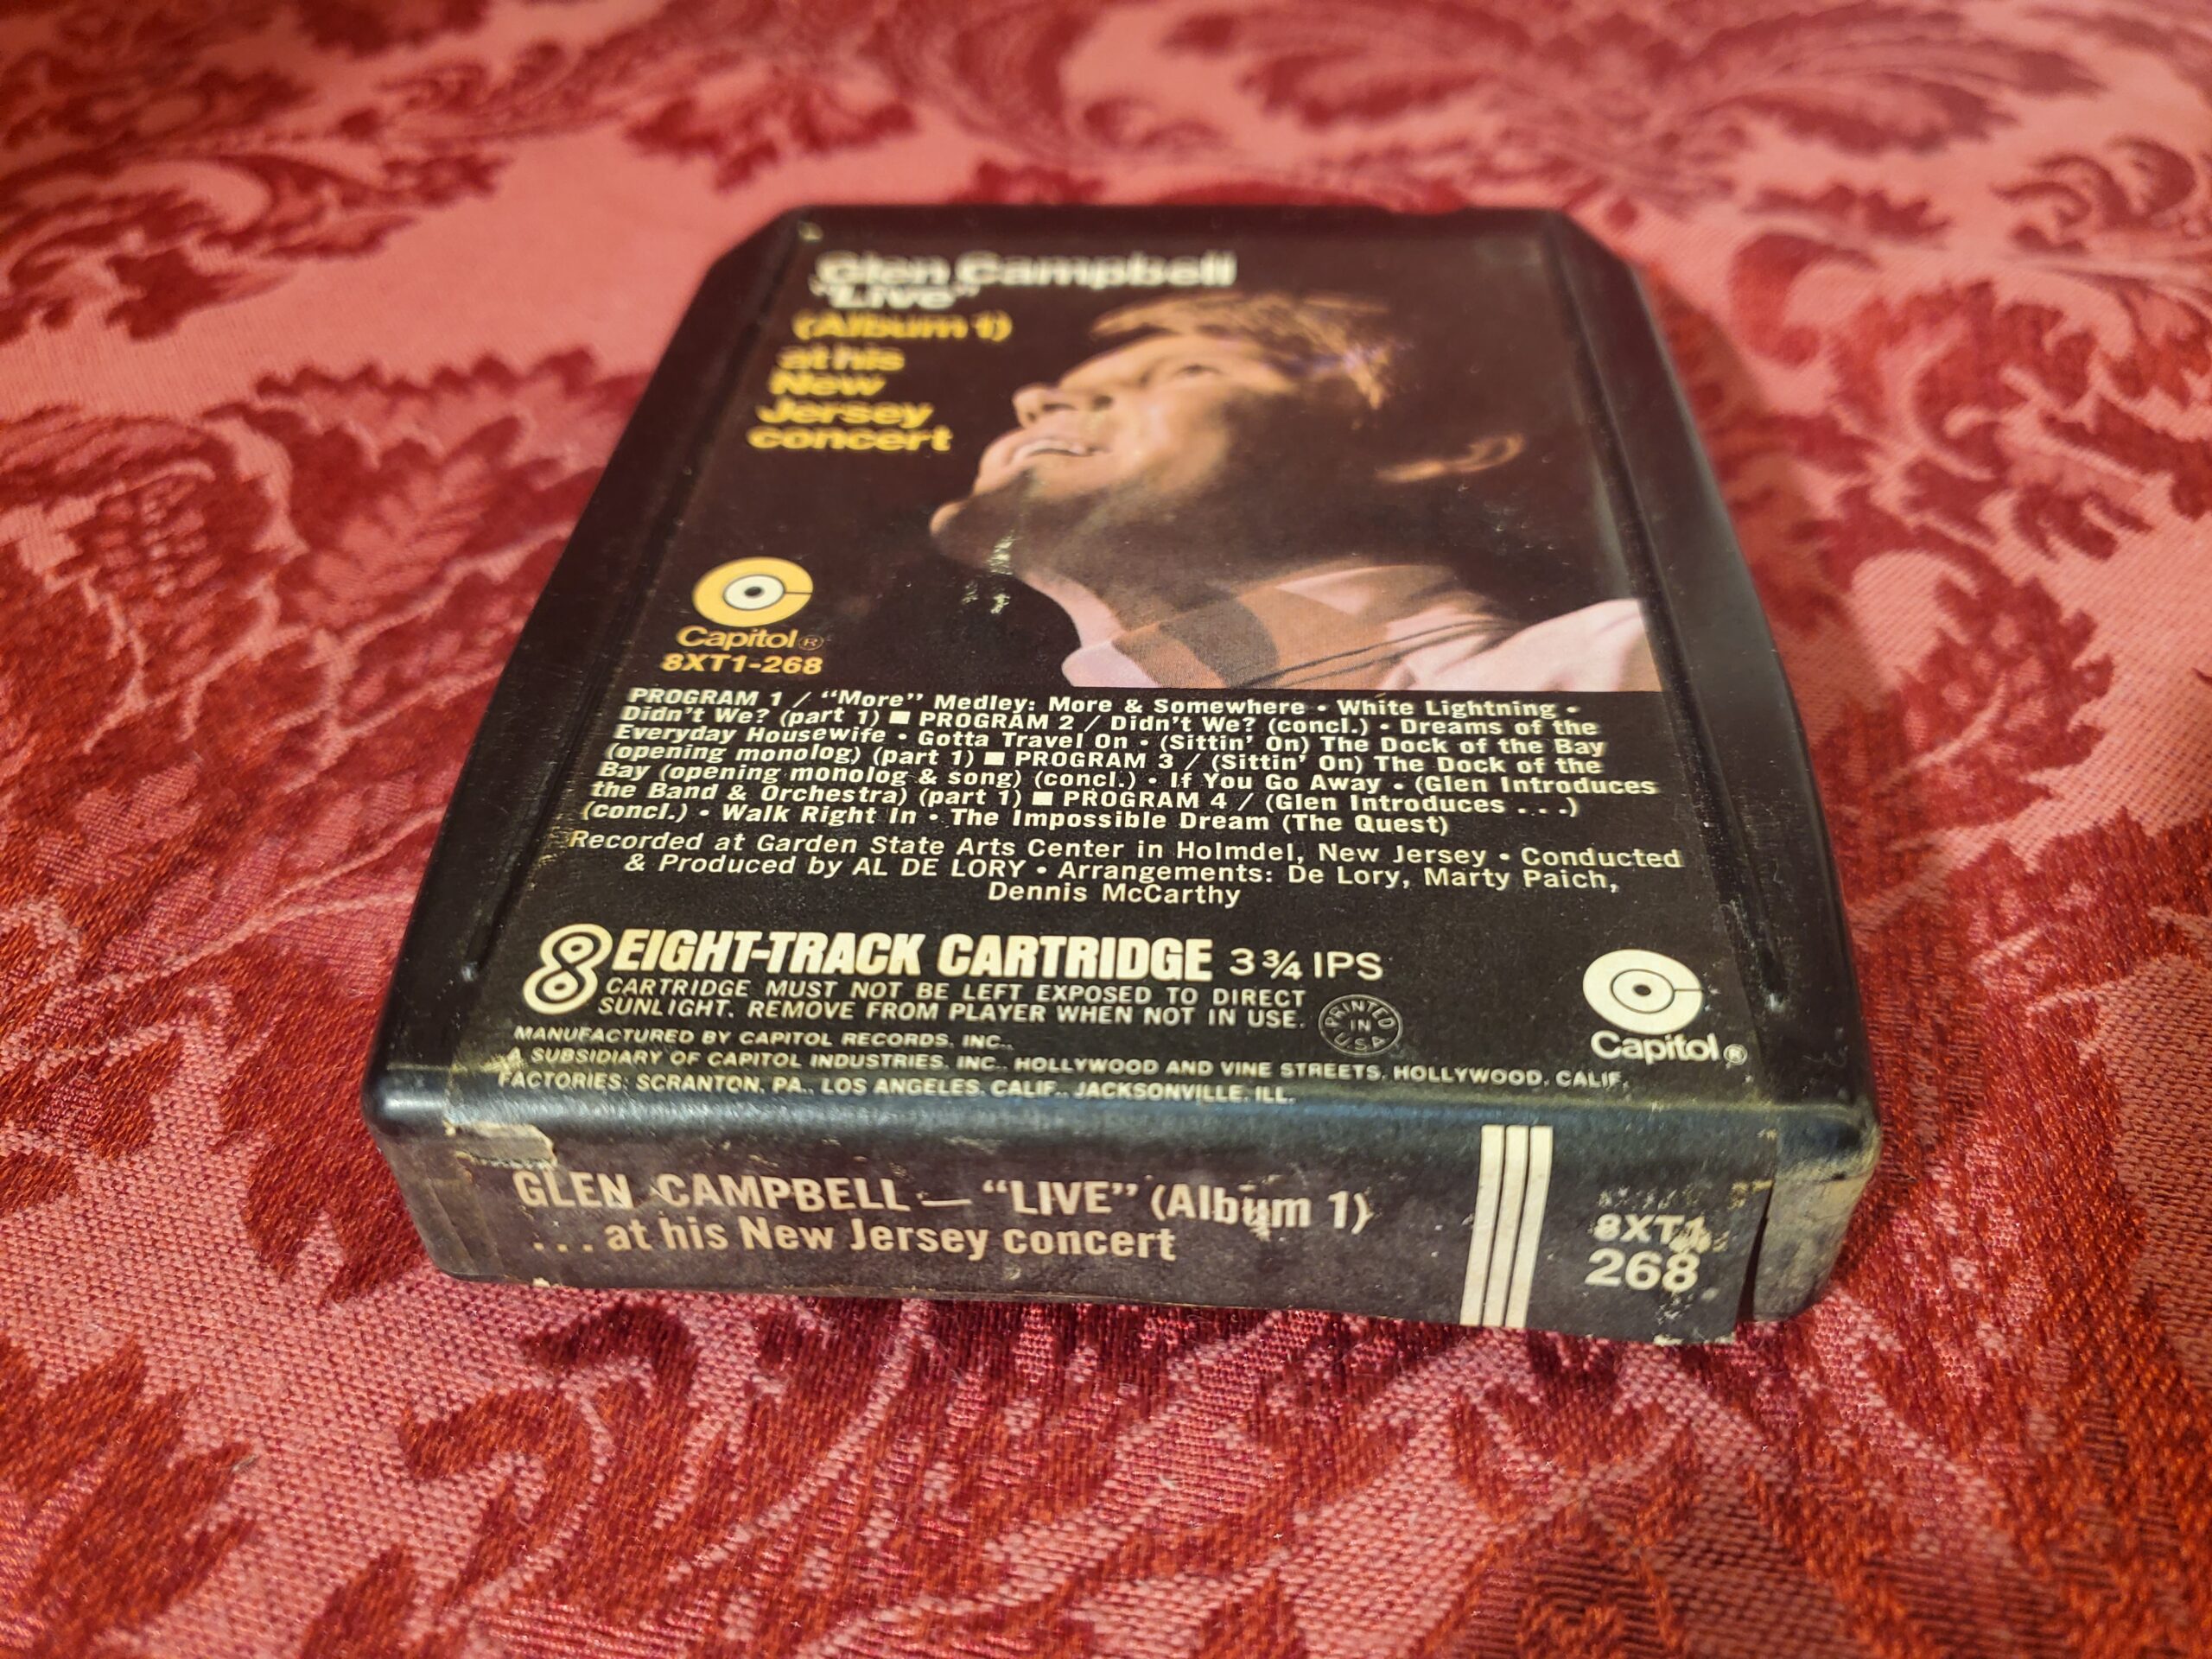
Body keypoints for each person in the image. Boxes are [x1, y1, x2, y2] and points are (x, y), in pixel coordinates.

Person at [927, 289, 1656, 692]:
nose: (1035, 401)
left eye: (1184, 372)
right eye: (1051, 396)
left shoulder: (1621, 666)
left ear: (1430, 451)